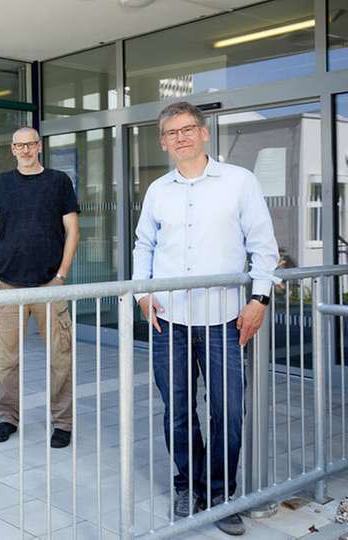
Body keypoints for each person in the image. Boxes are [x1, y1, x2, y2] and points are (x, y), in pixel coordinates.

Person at [133, 101, 279, 536]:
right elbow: (144, 244)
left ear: (204, 133)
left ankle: (221, 494)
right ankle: (187, 485)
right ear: (163, 142)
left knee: (228, 411)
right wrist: (142, 291)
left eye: (187, 129)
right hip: (170, 321)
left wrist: (259, 299)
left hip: (225, 321)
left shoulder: (239, 182)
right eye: (171, 132)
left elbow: (264, 247)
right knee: (177, 412)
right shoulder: (158, 190)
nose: (180, 137)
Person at [0, 127, 80, 449]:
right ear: (12, 149)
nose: (25, 150)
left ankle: (62, 423)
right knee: (6, 361)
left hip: (50, 285)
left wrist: (62, 275)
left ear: (39, 146)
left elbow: (73, 231)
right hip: (9, 285)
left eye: (30, 144)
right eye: (19, 145)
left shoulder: (58, 182)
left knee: (60, 359)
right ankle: (7, 417)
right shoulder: (0, 184)